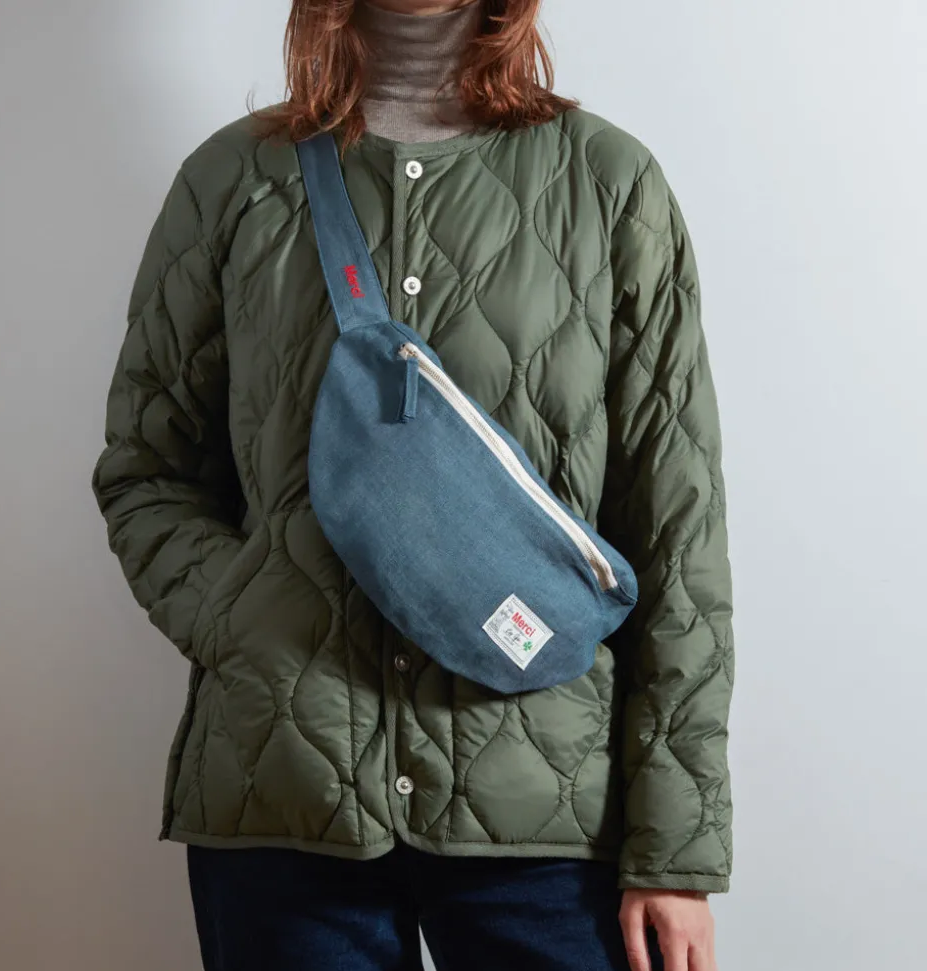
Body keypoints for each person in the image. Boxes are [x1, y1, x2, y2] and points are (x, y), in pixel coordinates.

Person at [91, 1, 735, 969]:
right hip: (288, 795)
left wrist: (675, 849)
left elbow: (678, 533)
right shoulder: (232, 183)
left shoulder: (608, 185)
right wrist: (242, 616)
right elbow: (148, 469)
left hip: (547, 811)